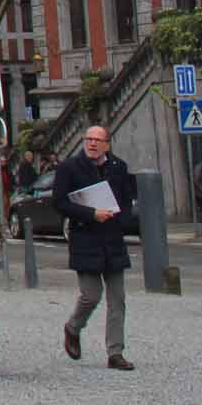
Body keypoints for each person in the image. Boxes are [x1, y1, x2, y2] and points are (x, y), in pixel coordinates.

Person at [54, 125, 138, 370]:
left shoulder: (118, 167)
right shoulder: (69, 168)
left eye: (97, 140)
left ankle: (115, 352)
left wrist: (119, 220)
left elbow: (125, 200)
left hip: (112, 239)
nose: (92, 143)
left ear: (107, 144)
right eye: (88, 139)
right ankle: (73, 327)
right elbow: (59, 202)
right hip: (85, 237)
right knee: (91, 295)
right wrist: (91, 214)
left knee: (117, 299)